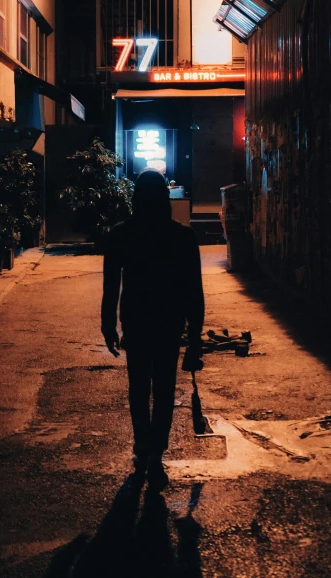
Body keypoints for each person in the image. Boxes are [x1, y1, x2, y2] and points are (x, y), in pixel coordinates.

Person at [101, 168, 204, 487]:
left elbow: (111, 285)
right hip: (169, 320)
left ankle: (142, 444)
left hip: (136, 318)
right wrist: (196, 336)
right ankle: (156, 449)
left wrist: (108, 325)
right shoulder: (183, 237)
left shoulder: (121, 234)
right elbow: (193, 291)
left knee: (138, 385)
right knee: (163, 387)